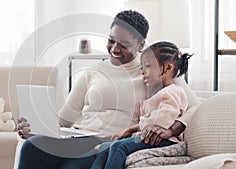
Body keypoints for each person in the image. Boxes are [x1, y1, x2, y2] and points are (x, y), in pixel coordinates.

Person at [16, 10, 200, 169]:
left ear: (141, 45)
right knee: (32, 146)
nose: (115, 49)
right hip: (79, 137)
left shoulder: (153, 72)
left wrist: (172, 129)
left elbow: (195, 107)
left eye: (124, 45)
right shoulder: (92, 72)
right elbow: (63, 121)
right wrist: (35, 128)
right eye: (111, 40)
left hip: (109, 142)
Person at [90, 41, 193, 169]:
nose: (142, 72)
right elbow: (149, 123)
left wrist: (135, 130)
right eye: (141, 68)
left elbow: (161, 122)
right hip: (151, 138)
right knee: (105, 147)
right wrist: (129, 130)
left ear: (167, 68)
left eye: (148, 66)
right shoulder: (160, 93)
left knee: (119, 146)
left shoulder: (171, 92)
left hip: (164, 140)